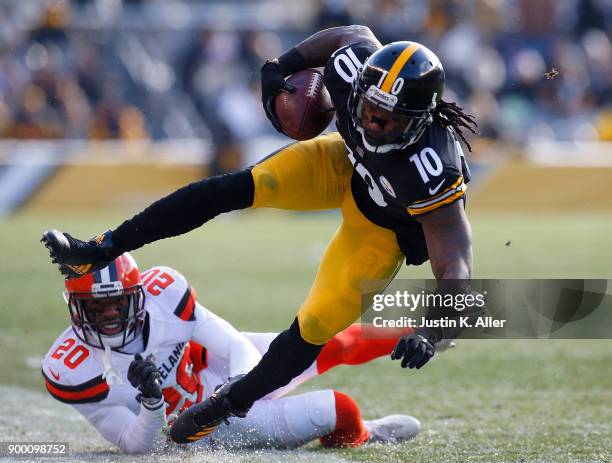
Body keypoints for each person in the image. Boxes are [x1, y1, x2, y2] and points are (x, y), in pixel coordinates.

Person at [41, 25, 480, 442]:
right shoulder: (353, 72)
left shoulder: (432, 170)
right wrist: (279, 65)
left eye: (391, 122)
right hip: (342, 166)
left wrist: (432, 331)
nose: (375, 126)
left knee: (314, 325)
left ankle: (223, 406)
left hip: (382, 227)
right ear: (360, 90)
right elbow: (352, 36)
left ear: (421, 120)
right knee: (238, 187)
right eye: (369, 111)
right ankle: (104, 247)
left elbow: (456, 268)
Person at [42, 253, 423, 454]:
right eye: (97, 309)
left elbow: (233, 344)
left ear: (138, 295)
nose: (109, 318)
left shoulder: (165, 292)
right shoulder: (72, 369)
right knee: (342, 410)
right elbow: (139, 447)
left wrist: (236, 390)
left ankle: (441, 324)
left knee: (334, 342)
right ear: (77, 310)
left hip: (221, 376)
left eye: (117, 305)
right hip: (198, 430)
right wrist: (152, 403)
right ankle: (364, 433)